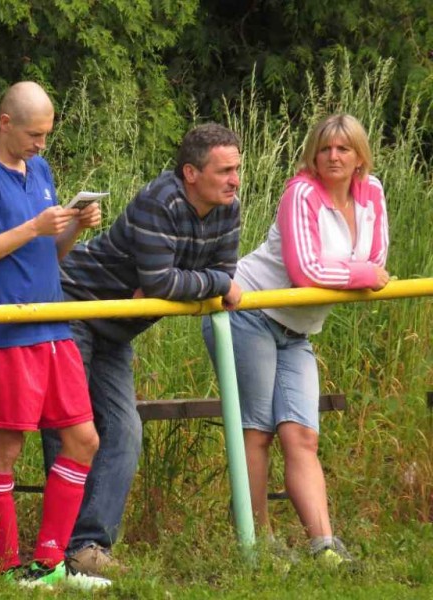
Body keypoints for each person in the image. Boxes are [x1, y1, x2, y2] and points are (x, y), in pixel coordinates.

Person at [42, 123, 244, 575]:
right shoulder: (160, 200)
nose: (234, 180)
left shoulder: (228, 208)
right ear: (191, 173)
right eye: (224, 171)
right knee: (69, 426)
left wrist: (188, 283)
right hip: (73, 305)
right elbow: (166, 283)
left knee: (125, 429)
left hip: (118, 328)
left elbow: (214, 275)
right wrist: (202, 283)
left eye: (237, 169)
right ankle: (56, 548)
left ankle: (89, 546)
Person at [202, 114, 389, 565]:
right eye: (325, 148)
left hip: (297, 330)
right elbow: (308, 271)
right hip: (249, 311)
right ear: (313, 155)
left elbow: (379, 257)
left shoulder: (372, 193)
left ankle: (324, 546)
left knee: (302, 434)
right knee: (258, 431)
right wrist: (362, 275)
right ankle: (256, 545)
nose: (333, 156)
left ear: (360, 156)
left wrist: (361, 272)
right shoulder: (300, 193)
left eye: (343, 148)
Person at [0, 81, 111, 589]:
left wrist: (76, 226)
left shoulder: (39, 169)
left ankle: (49, 562)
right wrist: (34, 228)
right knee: (7, 449)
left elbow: (49, 251)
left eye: (46, 134)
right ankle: (6, 568)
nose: (41, 144)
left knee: (83, 439)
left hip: (53, 325)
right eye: (34, 135)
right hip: (5, 333)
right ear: (5, 123)